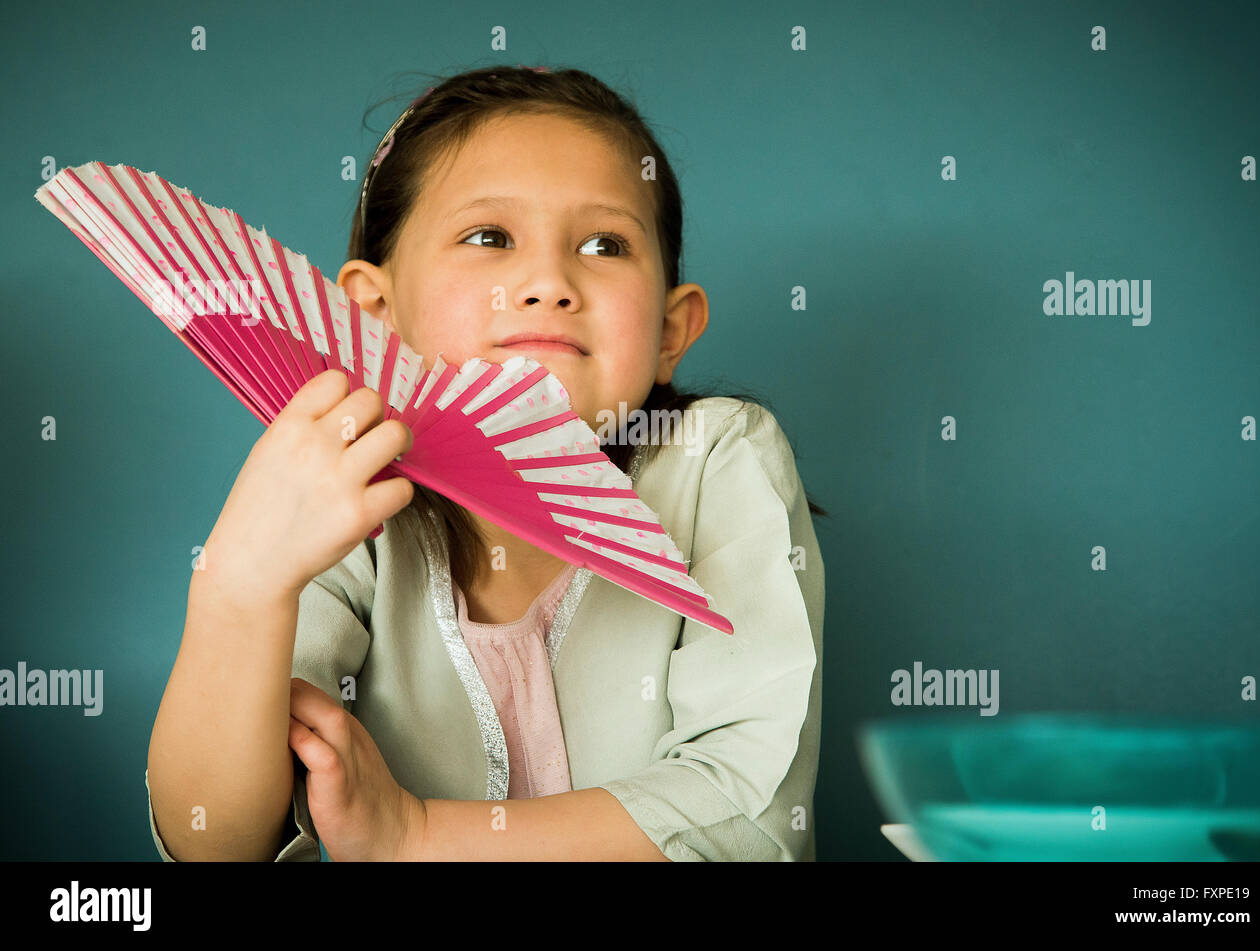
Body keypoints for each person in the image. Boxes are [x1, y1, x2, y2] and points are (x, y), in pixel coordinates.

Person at [145, 65, 826, 861]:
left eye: (605, 244)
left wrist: (416, 837)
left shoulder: (719, 462)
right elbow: (215, 844)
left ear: (672, 330)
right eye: (489, 237)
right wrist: (236, 590)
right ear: (375, 311)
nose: (547, 283)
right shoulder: (347, 498)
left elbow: (748, 813)